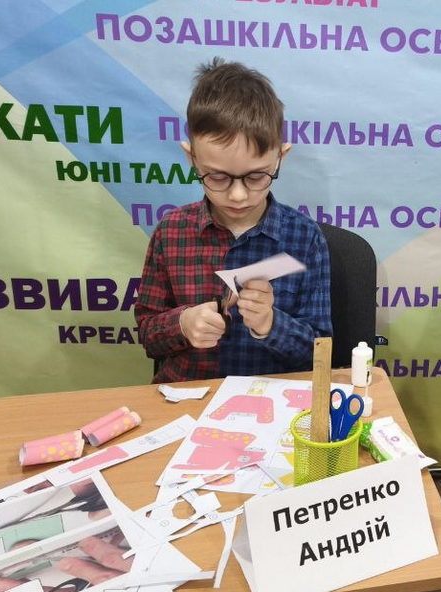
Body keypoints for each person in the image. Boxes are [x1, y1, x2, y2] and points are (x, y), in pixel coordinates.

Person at [136, 58, 332, 383]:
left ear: (280, 158)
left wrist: (271, 324)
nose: (238, 195)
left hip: (271, 398)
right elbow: (147, 334)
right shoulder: (171, 232)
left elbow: (320, 353)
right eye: (217, 177)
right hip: (189, 397)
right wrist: (182, 324)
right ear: (191, 158)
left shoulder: (304, 238)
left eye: (256, 177)